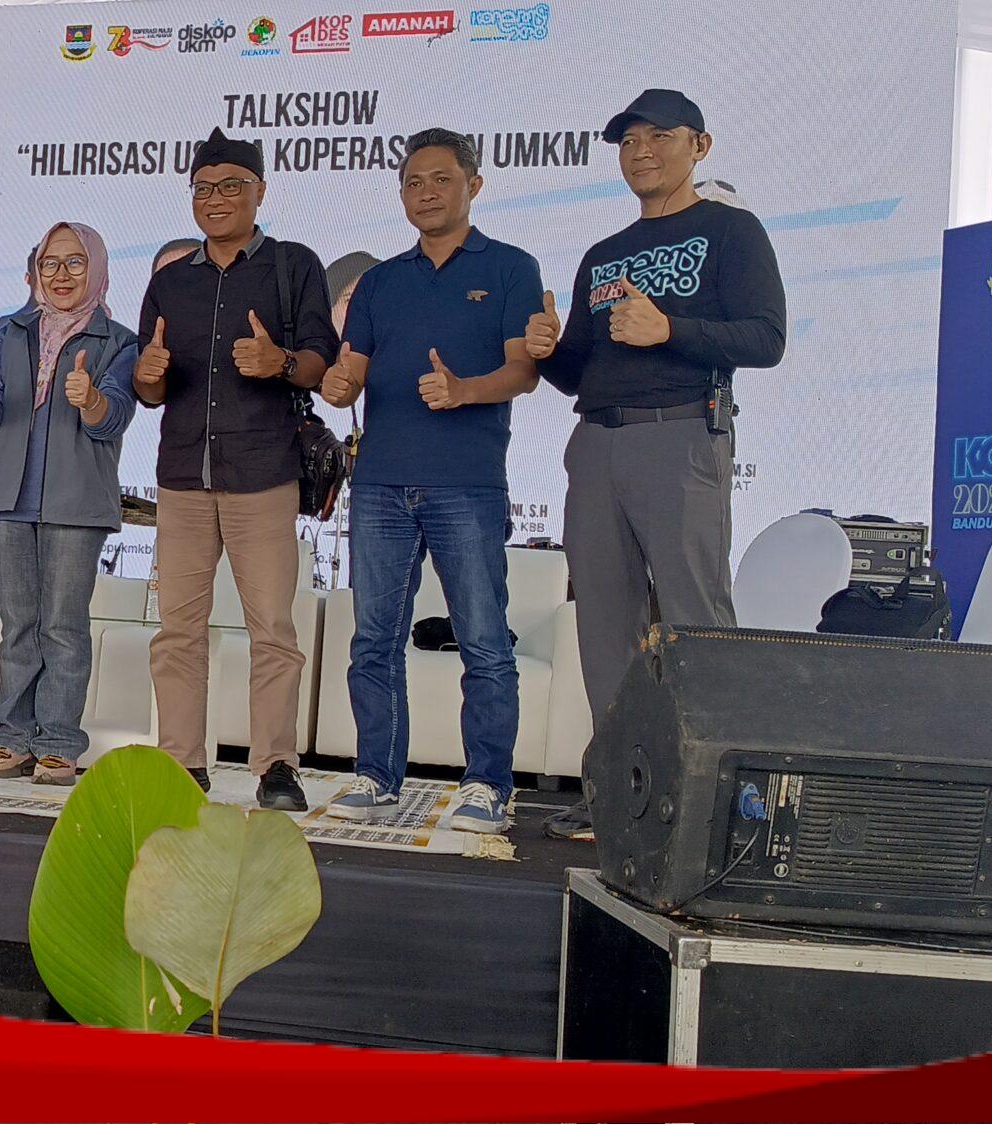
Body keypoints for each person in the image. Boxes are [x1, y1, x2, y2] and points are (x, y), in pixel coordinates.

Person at [523, 90, 786, 840]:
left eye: (658, 136)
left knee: (696, 618)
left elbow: (766, 339)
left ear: (699, 146)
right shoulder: (603, 254)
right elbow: (582, 369)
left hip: (680, 436)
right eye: (628, 141)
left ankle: (725, 800)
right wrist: (547, 352)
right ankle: (618, 790)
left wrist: (669, 328)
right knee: (605, 626)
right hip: (596, 442)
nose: (641, 151)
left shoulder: (731, 230)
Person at [317, 128, 545, 833]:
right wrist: (336, 385)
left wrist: (464, 390)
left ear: (473, 185)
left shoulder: (511, 268)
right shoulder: (380, 282)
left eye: (440, 179)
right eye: (412, 182)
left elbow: (524, 371)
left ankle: (488, 784)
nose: (425, 193)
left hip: (466, 483)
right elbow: (350, 372)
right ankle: (377, 776)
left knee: (484, 641)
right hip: (381, 483)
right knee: (373, 640)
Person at [134, 129, 338, 808]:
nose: (215, 199)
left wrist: (280, 362)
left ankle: (276, 766)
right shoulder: (169, 282)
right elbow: (150, 387)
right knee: (177, 632)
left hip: (263, 473)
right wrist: (148, 376)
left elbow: (321, 360)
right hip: (183, 476)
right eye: (203, 187)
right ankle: (181, 765)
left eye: (231, 186)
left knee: (272, 630)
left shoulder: (293, 265)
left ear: (260, 192)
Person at [0, 222, 138, 785]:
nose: (61, 275)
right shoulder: (10, 331)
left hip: (76, 500)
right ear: (35, 271)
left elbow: (113, 418)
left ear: (97, 269)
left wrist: (91, 401)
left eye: (75, 262)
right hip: (11, 495)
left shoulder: (118, 341)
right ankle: (12, 738)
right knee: (18, 624)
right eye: (50, 263)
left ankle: (59, 742)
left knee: (62, 626)